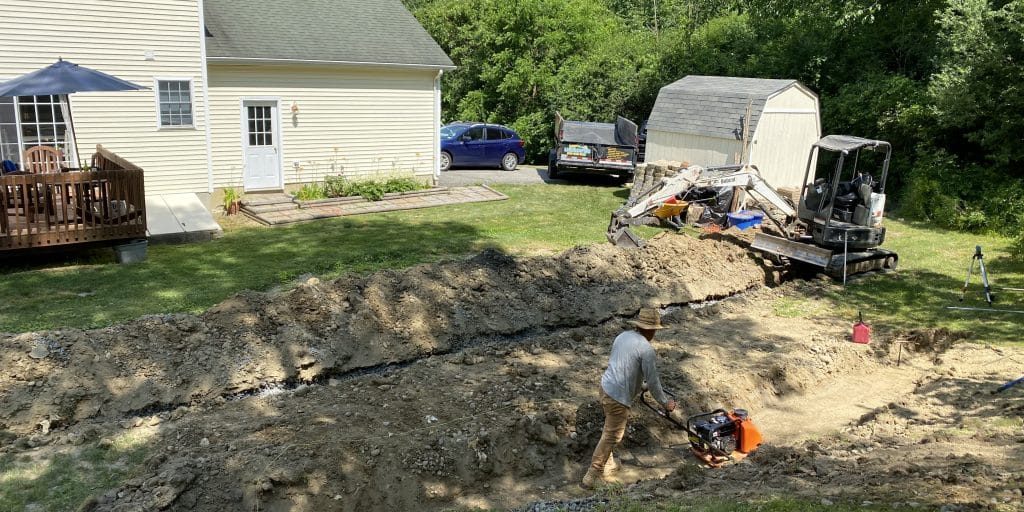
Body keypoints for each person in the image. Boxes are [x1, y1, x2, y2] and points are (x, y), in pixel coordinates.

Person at [581, 307, 676, 489]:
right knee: (613, 435)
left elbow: (622, 366)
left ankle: (608, 464)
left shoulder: (623, 337)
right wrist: (666, 403)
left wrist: (639, 386)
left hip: (605, 387)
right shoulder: (647, 350)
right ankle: (591, 475)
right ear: (651, 330)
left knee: (610, 428)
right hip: (618, 397)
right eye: (655, 330)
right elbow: (654, 382)